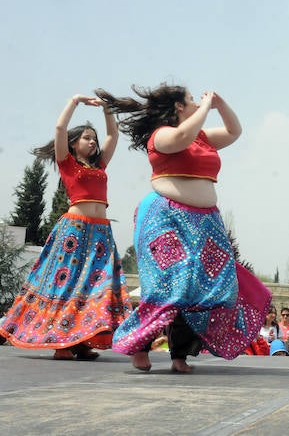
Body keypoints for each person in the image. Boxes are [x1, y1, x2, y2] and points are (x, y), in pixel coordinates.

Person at [98, 84, 271, 373]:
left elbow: (233, 131)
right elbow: (182, 135)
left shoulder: (201, 137)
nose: (196, 102)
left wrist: (220, 103)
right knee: (172, 286)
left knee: (209, 290)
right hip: (166, 219)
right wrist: (205, 109)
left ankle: (181, 354)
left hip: (204, 222)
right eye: (191, 100)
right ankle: (138, 345)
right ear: (179, 107)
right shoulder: (163, 135)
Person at [0, 95, 130, 360]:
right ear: (73, 144)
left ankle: (80, 340)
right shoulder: (67, 163)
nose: (92, 142)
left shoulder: (100, 164)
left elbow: (113, 135)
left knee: (94, 287)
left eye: (93, 138)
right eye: (86, 138)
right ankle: (61, 343)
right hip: (74, 231)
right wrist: (75, 101)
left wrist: (107, 109)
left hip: (100, 233)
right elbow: (59, 129)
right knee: (68, 284)